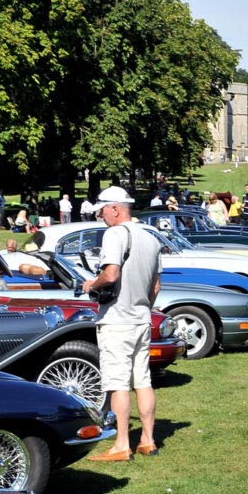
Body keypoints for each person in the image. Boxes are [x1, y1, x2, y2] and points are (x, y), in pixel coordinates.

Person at [83, 186, 162, 462]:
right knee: (142, 380)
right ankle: (148, 440)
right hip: (142, 317)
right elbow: (156, 285)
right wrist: (144, 307)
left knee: (118, 383)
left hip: (117, 320)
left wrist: (91, 284)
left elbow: (111, 273)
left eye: (102, 211)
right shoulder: (150, 238)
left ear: (115, 208)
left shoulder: (114, 234)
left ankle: (121, 445)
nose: (102, 217)